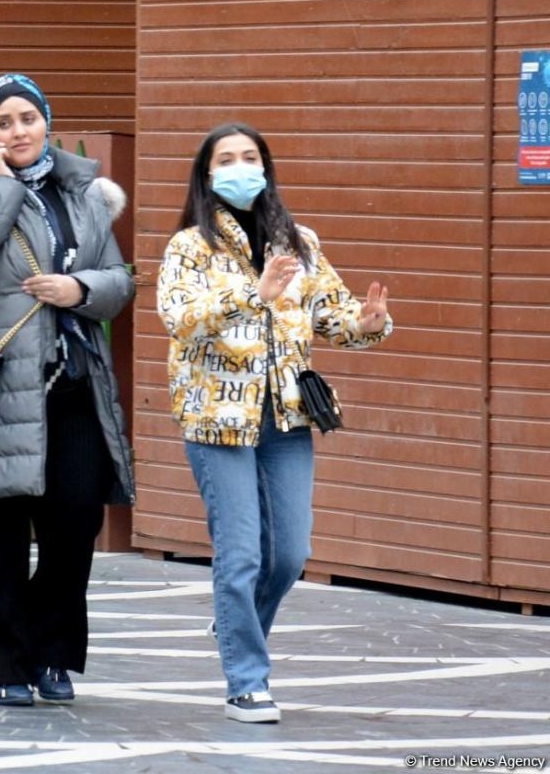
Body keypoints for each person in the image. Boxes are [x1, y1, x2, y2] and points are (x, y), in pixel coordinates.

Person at [157, 122, 392, 724]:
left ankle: (235, 625)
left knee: (289, 554)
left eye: (250, 157)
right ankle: (247, 681)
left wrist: (365, 324)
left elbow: (331, 314)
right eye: (226, 159)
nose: (241, 168)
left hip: (286, 417)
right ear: (207, 176)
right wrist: (252, 295)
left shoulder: (298, 240)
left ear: (267, 167)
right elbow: (180, 317)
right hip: (217, 418)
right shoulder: (190, 246)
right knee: (240, 556)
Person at [0, 73, 136, 707]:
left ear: (47, 122)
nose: (18, 131)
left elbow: (119, 278)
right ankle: (5, 667)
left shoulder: (85, 191)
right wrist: (5, 188)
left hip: (73, 384)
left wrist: (83, 291)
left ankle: (50, 652)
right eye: (3, 122)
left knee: (75, 529)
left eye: (28, 118)